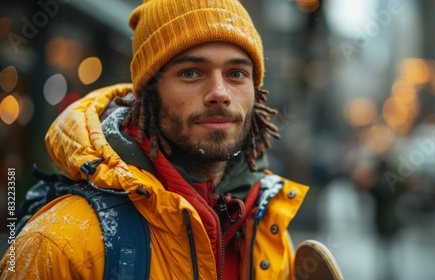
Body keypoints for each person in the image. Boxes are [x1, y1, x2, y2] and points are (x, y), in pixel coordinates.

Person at [0, 0, 309, 279]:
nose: (220, 93)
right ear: (148, 94)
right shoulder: (60, 245)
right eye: (191, 73)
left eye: (237, 74)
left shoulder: (266, 230)